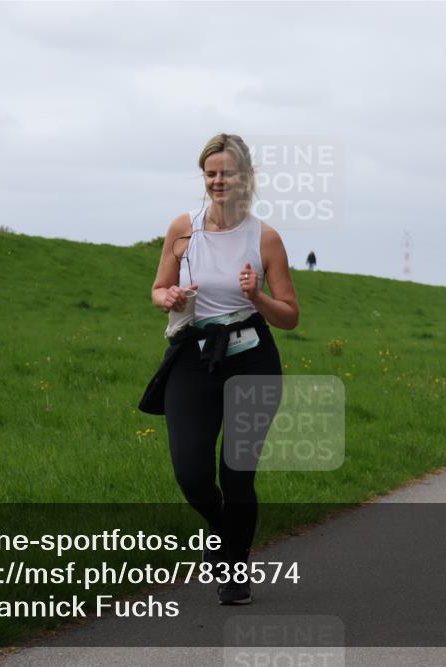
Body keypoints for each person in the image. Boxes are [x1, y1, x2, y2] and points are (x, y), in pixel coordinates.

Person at [143, 133, 300, 605]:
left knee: (237, 475)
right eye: (210, 173)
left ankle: (235, 567)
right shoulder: (183, 229)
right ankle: (218, 530)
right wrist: (168, 297)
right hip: (193, 358)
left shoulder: (264, 238)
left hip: (252, 360)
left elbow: (290, 316)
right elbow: (157, 288)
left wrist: (257, 296)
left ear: (246, 177)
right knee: (191, 473)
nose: (217, 181)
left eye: (226, 173)